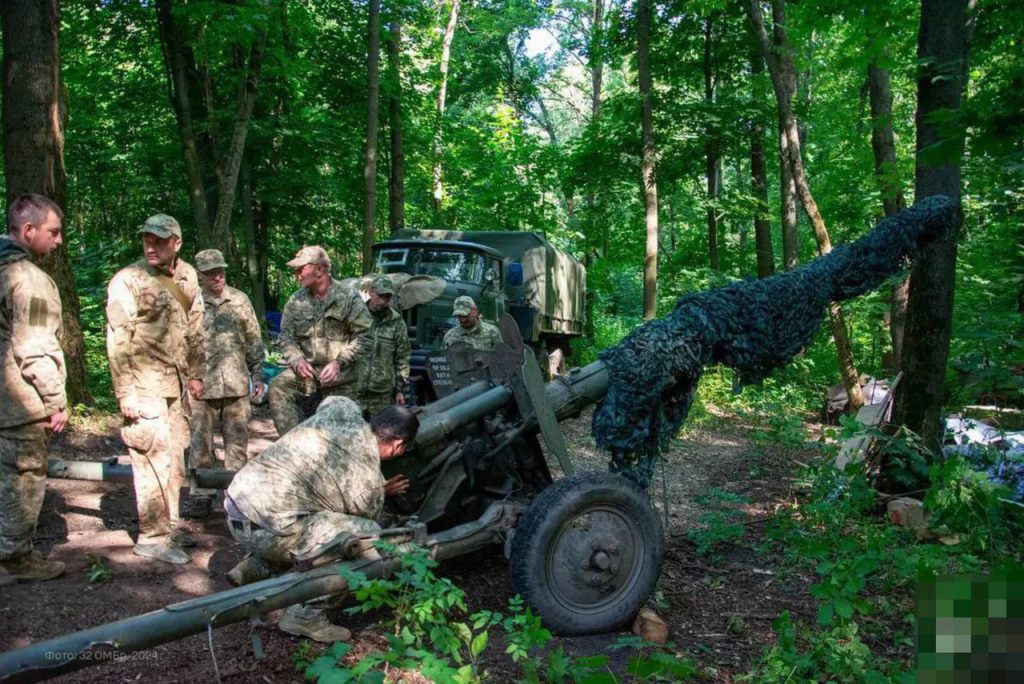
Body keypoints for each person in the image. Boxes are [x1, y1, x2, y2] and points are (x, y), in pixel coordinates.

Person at [224, 396, 417, 641]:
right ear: (397, 444)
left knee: (309, 514)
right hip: (263, 530)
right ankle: (306, 616)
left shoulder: (345, 409)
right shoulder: (367, 479)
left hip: (237, 502)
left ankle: (255, 567)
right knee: (363, 537)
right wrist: (380, 490)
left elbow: (332, 399)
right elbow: (358, 520)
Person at [106, 214, 205, 565]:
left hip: (175, 384)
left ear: (177, 242)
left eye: (159, 240)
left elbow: (196, 327)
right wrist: (125, 392)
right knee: (151, 457)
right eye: (147, 239)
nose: (151, 246)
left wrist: (197, 373)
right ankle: (152, 536)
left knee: (175, 459)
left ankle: (170, 524)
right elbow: (118, 339)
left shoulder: (188, 275)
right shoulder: (128, 280)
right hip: (144, 383)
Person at [0, 194, 68, 584]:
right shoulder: (29, 280)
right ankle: (14, 559)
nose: (58, 241)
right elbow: (35, 346)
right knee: (22, 477)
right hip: (20, 403)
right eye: (53, 232)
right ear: (29, 230)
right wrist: (55, 401)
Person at [268, 246, 371, 436]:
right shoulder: (296, 301)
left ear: (319, 269)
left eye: (301, 269)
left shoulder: (348, 297)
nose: (297, 274)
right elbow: (286, 337)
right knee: (278, 386)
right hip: (309, 375)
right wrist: (297, 359)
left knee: (342, 435)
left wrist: (339, 363)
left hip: (344, 377)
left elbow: (365, 336)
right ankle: (295, 444)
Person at [190, 249, 265, 472]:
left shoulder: (240, 300)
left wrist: (258, 375)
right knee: (199, 448)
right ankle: (200, 489)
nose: (217, 277)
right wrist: (191, 377)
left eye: (220, 271)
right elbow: (182, 344)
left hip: (236, 386)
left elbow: (253, 339)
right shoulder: (191, 303)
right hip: (202, 387)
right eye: (210, 273)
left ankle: (234, 489)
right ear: (200, 274)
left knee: (237, 447)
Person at [356, 276, 411, 416]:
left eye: (387, 297)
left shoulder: (396, 322)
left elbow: (402, 358)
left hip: (382, 394)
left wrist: (400, 391)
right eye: (380, 296)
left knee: (381, 428)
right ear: (371, 292)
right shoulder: (356, 315)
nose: (383, 301)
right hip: (355, 390)